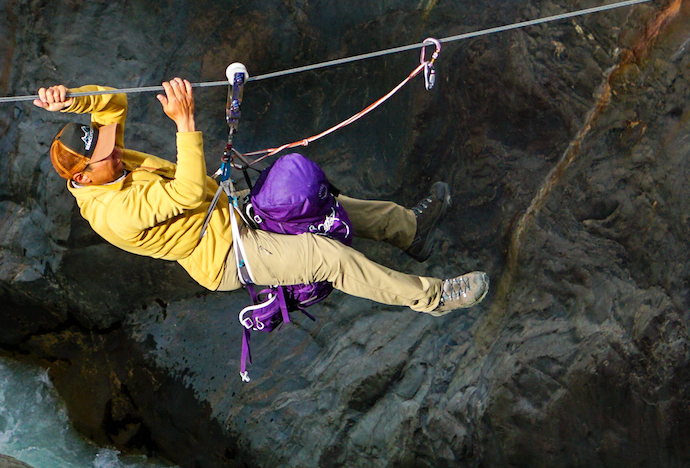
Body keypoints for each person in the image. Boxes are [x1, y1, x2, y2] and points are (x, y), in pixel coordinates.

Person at [35, 78, 489, 314]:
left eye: (110, 148)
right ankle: (434, 299)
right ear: (85, 179)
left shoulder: (100, 166)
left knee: (327, 208)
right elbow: (189, 192)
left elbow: (112, 103)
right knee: (325, 255)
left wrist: (72, 100)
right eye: (107, 157)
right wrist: (185, 123)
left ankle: (411, 230)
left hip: (230, 211)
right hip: (228, 254)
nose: (115, 153)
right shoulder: (114, 213)